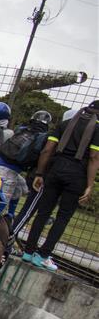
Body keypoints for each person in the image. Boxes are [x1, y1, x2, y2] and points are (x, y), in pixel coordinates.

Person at [22, 100, 99, 271]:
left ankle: (28, 251)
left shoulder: (65, 124)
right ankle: (43, 255)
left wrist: (40, 173)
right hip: (77, 175)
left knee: (43, 213)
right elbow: (94, 157)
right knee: (63, 217)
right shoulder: (97, 128)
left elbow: (48, 149)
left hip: (55, 170)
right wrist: (89, 185)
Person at [0, 110, 52, 223]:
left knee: (21, 188)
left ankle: (10, 216)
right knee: (2, 203)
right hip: (10, 171)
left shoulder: (22, 129)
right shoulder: (43, 137)